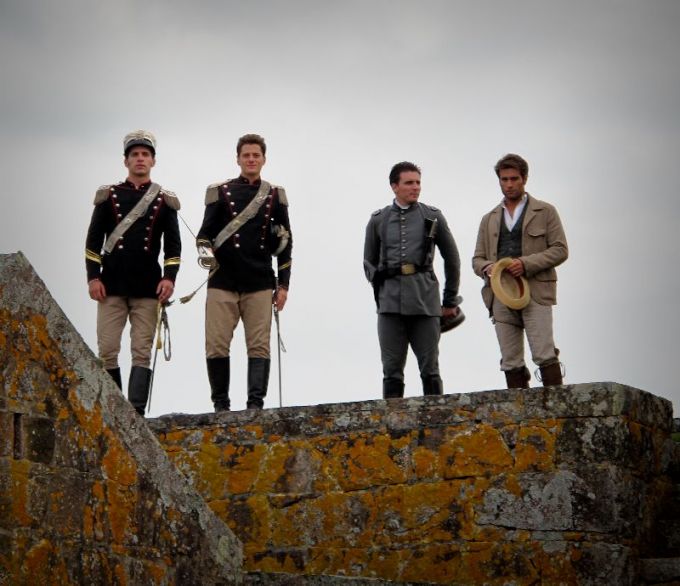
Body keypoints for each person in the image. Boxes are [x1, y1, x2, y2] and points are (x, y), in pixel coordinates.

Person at [85, 130, 181, 415]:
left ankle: (136, 413)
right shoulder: (109, 196)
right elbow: (93, 242)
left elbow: (173, 247)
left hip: (148, 287)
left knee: (141, 351)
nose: (140, 159)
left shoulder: (164, 201)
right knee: (107, 350)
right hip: (111, 285)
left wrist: (169, 278)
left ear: (153, 161)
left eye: (145, 155)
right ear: (126, 161)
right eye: (135, 154)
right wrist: (93, 277)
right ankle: (114, 412)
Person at [196, 133, 292, 412]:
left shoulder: (275, 195)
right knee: (216, 345)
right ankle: (221, 406)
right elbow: (204, 235)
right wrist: (206, 253)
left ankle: (255, 407)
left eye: (256, 155)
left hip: (259, 281)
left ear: (264, 159)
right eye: (246, 155)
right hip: (222, 280)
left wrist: (284, 285)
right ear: (238, 159)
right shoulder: (220, 191)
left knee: (259, 346)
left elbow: (286, 242)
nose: (251, 159)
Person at [364, 161, 461, 398]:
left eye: (418, 182)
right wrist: (382, 289)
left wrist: (449, 300)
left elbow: (452, 259)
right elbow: (368, 262)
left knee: (430, 368)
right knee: (391, 370)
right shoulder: (378, 220)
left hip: (425, 301)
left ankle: (436, 415)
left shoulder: (433, 216)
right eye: (409, 183)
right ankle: (393, 419)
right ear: (394, 186)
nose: (415, 187)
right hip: (390, 305)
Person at [472, 153, 568, 388]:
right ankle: (518, 408)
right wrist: (487, 268)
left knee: (544, 353)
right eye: (504, 179)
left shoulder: (546, 211)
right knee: (510, 360)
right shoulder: (488, 219)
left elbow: (560, 250)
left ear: (524, 178)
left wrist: (526, 264)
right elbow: (477, 260)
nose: (509, 184)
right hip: (500, 295)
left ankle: (556, 405)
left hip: (536, 292)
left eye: (514, 178)